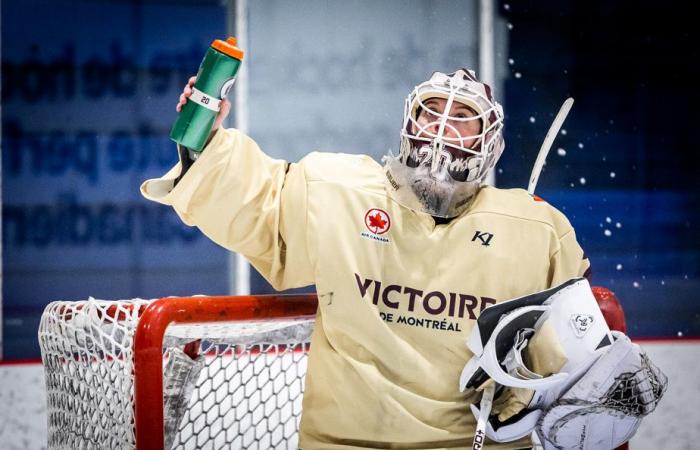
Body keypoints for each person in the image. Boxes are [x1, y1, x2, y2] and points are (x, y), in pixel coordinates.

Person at [141, 69, 593, 449]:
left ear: (490, 143)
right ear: (408, 124)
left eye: (461, 118)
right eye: (431, 112)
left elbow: (568, 351)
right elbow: (257, 205)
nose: (441, 129)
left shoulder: (535, 230)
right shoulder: (341, 192)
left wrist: (540, 396)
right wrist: (205, 142)